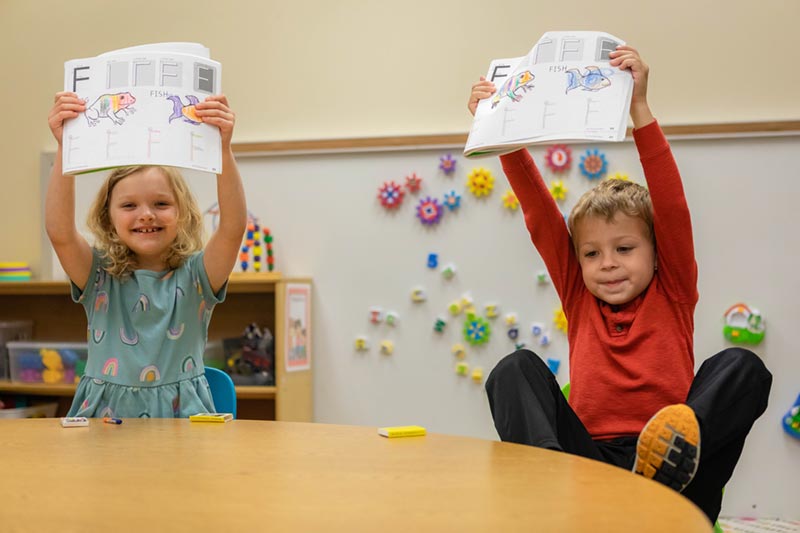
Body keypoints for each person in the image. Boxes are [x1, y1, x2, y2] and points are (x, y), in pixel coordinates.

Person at [469, 46, 772, 523]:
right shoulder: (579, 295)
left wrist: (640, 109)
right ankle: (546, 478)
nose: (607, 264)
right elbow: (539, 213)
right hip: (590, 472)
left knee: (743, 366)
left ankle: (670, 458)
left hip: (677, 480)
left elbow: (671, 207)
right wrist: (499, 128)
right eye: (591, 254)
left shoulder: (673, 290)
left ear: (657, 254)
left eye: (625, 249)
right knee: (514, 369)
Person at [46, 91, 246, 418]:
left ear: (182, 212)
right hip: (104, 424)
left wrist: (222, 150)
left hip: (183, 424)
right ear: (108, 218)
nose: (146, 215)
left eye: (161, 203)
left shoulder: (198, 275)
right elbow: (61, 234)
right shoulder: (99, 276)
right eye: (129, 205)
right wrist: (65, 147)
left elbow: (232, 229)